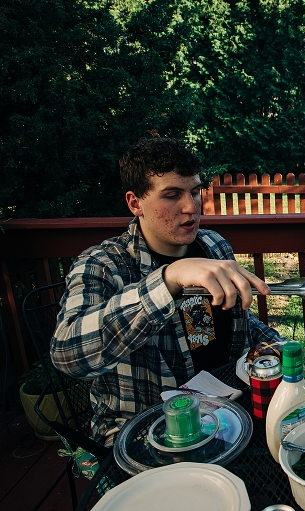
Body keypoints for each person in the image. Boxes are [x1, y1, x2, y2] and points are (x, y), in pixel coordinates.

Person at [50, 138, 285, 446]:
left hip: (229, 410)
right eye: (172, 195)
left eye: (195, 192)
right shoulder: (102, 265)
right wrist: (168, 280)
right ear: (135, 203)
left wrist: (279, 345)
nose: (191, 206)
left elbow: (239, 319)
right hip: (144, 432)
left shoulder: (213, 245)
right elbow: (66, 354)